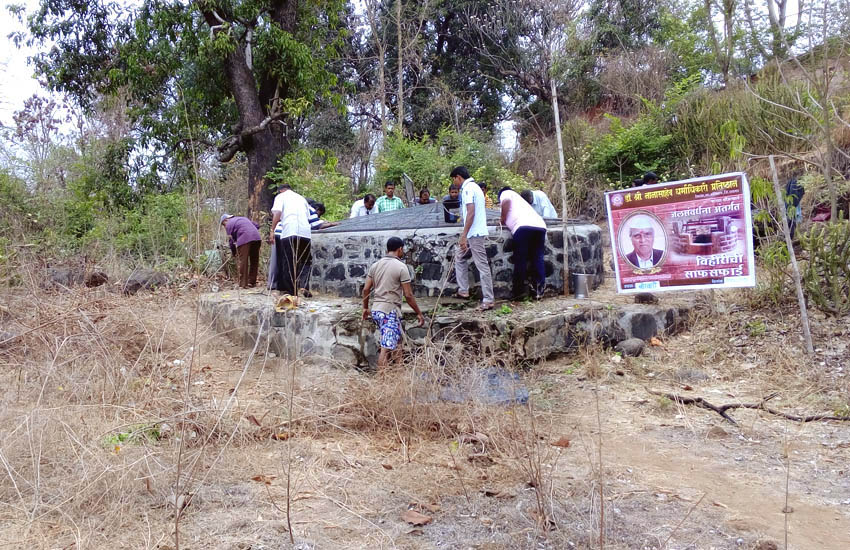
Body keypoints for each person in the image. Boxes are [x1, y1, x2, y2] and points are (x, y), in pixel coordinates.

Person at [362, 236, 425, 369]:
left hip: (377, 310)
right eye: (403, 250)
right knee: (385, 349)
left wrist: (365, 308)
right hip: (389, 312)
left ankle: (399, 375)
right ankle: (383, 381)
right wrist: (418, 313)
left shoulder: (375, 265)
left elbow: (366, 289)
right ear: (400, 249)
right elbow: (408, 295)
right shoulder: (401, 267)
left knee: (397, 344)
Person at [451, 166, 495, 310]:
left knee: (481, 265)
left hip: (474, 233)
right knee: (459, 257)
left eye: (454, 179)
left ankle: (488, 299)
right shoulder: (473, 188)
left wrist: (464, 235)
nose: (454, 183)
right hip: (473, 232)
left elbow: (471, 212)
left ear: (458, 177)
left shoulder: (469, 189)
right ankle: (463, 291)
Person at [498, 187, 547, 300]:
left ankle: (519, 292)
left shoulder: (506, 193)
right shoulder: (520, 200)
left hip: (523, 227)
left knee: (521, 258)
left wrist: (502, 219)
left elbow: (506, 202)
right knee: (537, 257)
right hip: (540, 226)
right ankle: (539, 290)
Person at [269, 184, 313, 296]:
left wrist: (272, 230)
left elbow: (277, 213)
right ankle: (304, 286)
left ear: (281, 191)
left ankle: (291, 291)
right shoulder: (301, 198)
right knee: (305, 261)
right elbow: (308, 217)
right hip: (305, 233)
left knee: (288, 262)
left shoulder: (281, 197)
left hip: (290, 231)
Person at [221, 214, 262, 288]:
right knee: (254, 260)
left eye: (223, 224)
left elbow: (231, 241)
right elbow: (257, 225)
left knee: (243, 260)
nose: (224, 226)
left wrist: (234, 253)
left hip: (245, 238)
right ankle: (252, 282)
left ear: (226, 220)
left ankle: (243, 284)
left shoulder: (229, 224)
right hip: (257, 237)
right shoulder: (242, 218)